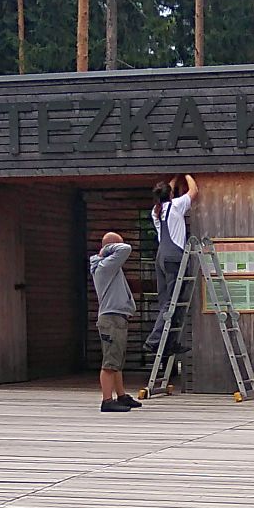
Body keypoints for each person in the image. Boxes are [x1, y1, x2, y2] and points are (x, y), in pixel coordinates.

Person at [89, 230, 140, 412]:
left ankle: (121, 395)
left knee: (117, 361)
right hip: (111, 319)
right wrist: (107, 249)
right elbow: (125, 248)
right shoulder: (105, 266)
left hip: (117, 317)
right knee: (110, 362)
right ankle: (107, 400)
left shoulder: (110, 267)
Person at [149, 173, 198, 357]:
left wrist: (175, 179)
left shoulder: (156, 211)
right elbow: (194, 191)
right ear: (170, 194)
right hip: (174, 257)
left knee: (166, 302)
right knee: (173, 301)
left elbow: (166, 190)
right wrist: (187, 174)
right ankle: (154, 340)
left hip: (161, 257)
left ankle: (169, 343)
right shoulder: (176, 205)